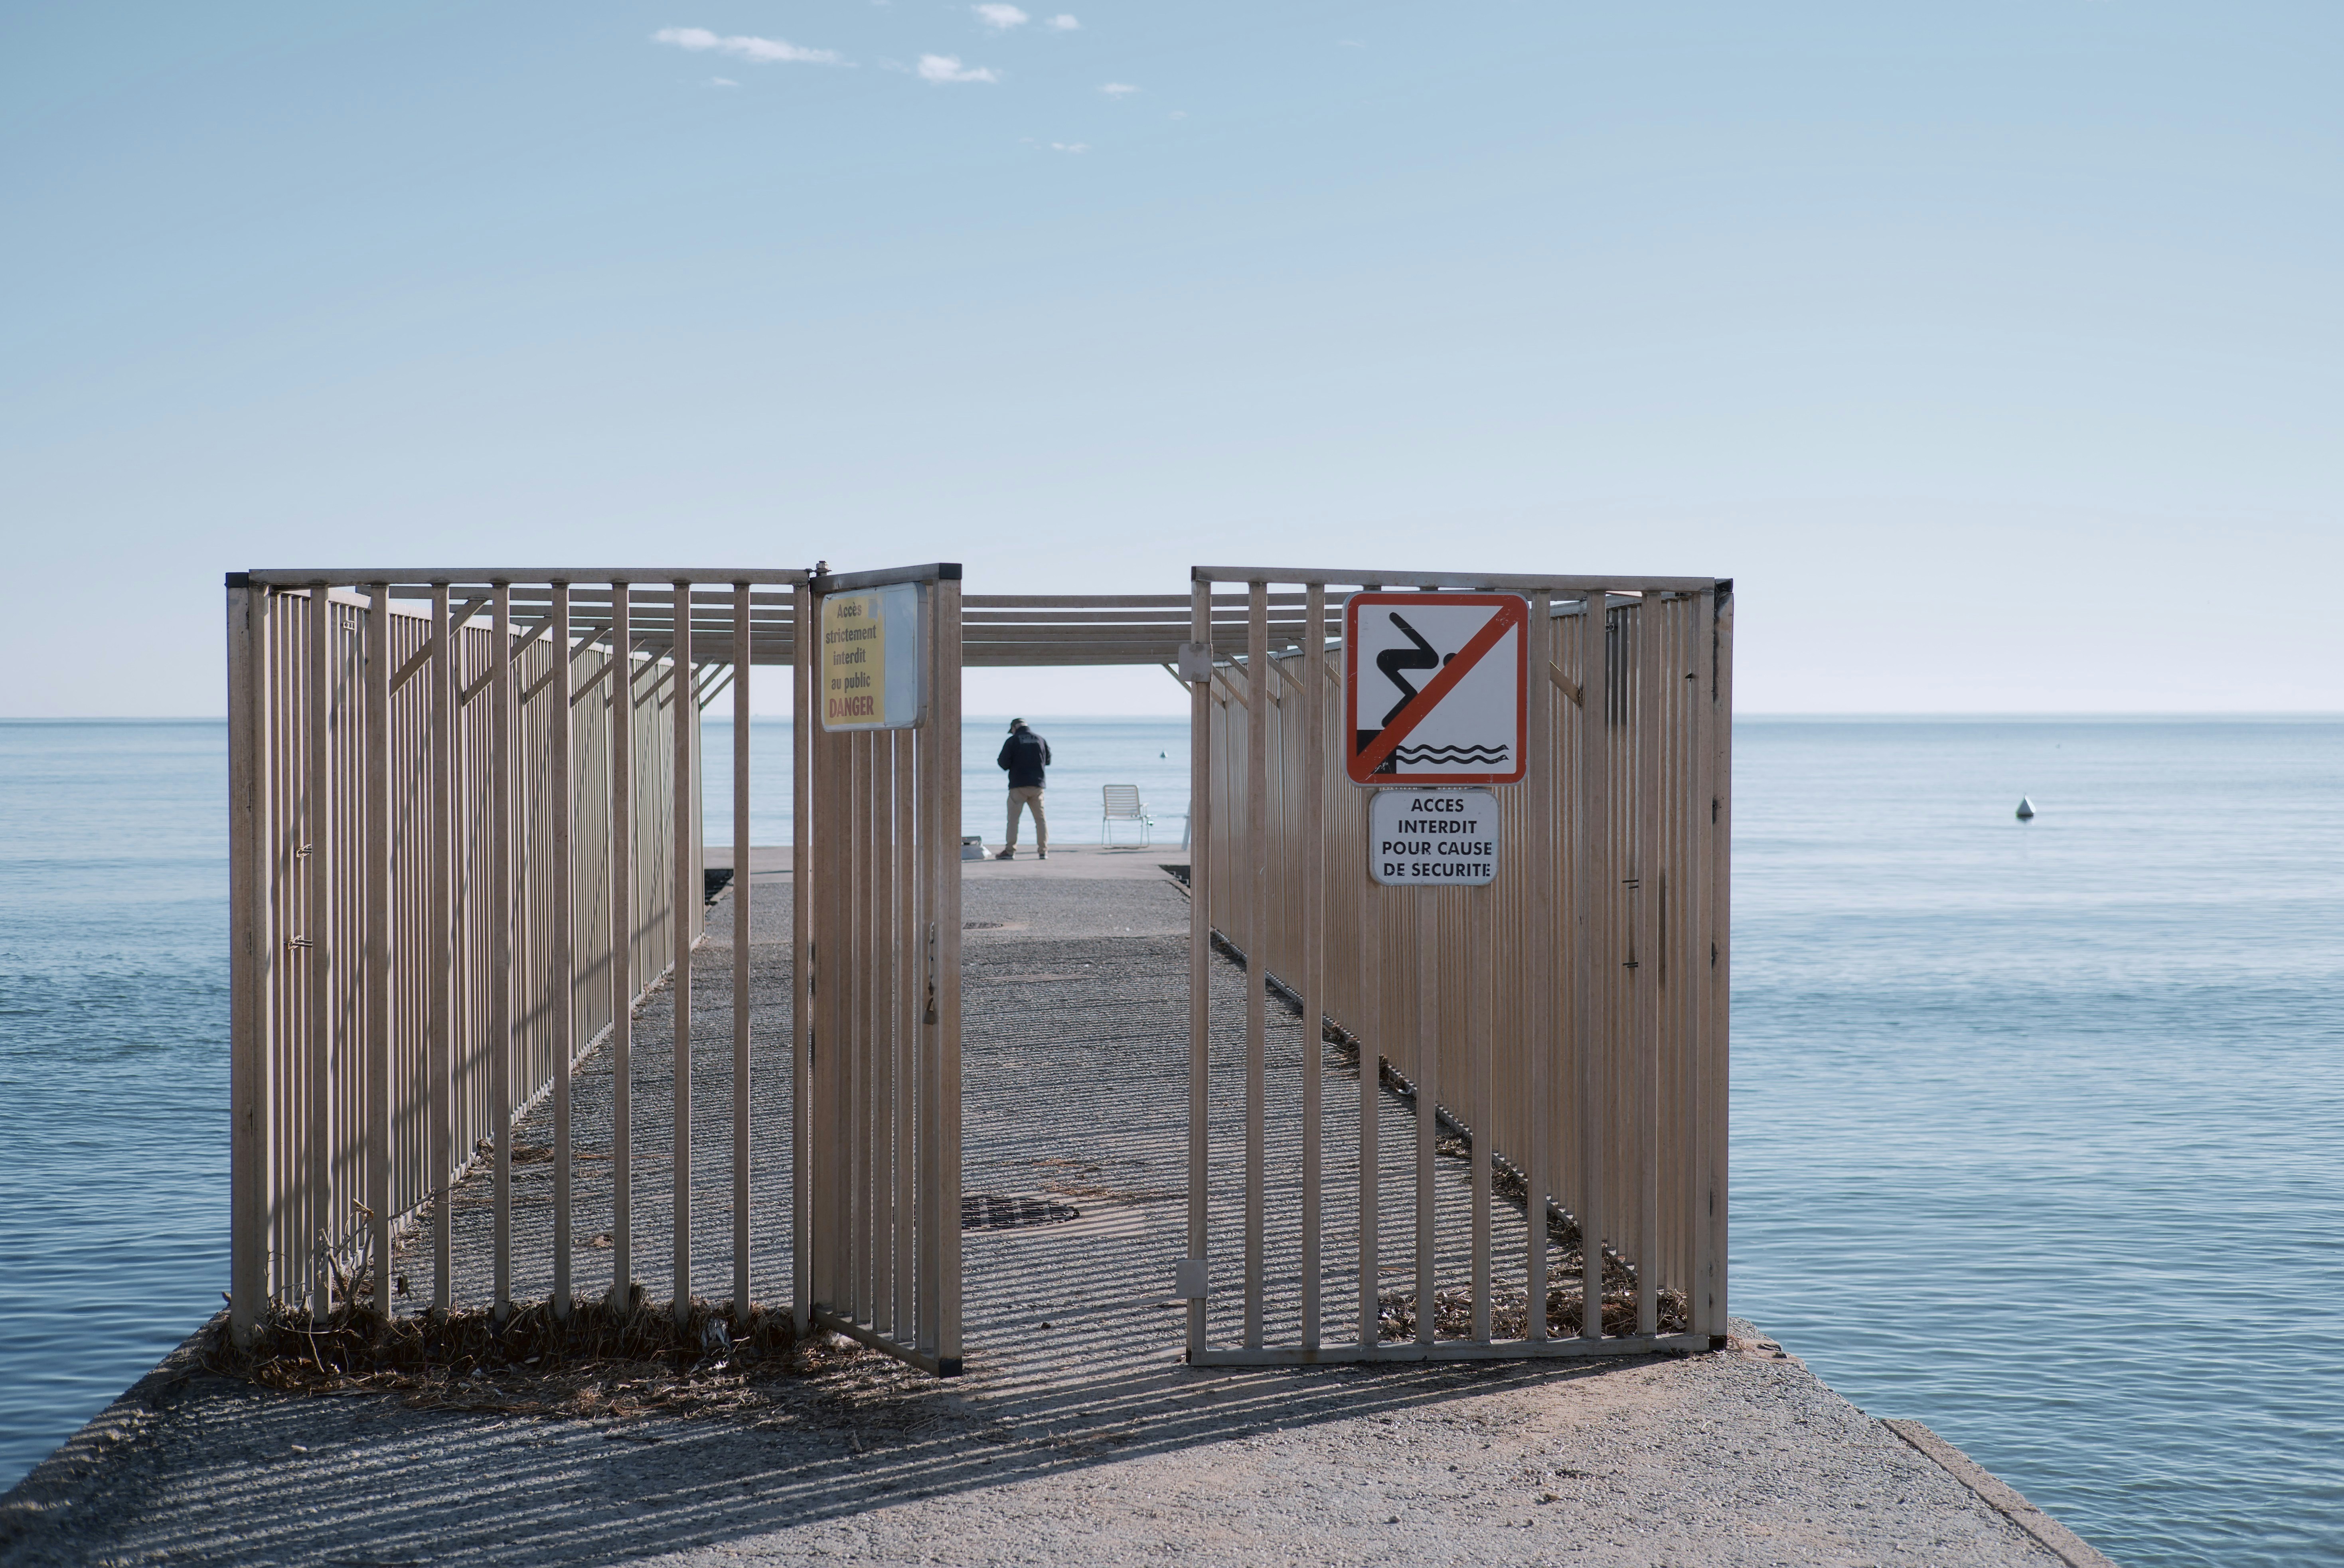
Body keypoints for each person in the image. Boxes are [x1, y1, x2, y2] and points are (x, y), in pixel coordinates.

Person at [995, 717, 1051, 859]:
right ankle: (1043, 851)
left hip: (1018, 786)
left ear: (1014, 728)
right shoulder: (1040, 740)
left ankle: (1010, 851)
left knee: (1013, 820)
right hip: (1037, 786)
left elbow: (1003, 763)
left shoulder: (1012, 741)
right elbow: (1048, 760)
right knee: (1040, 820)